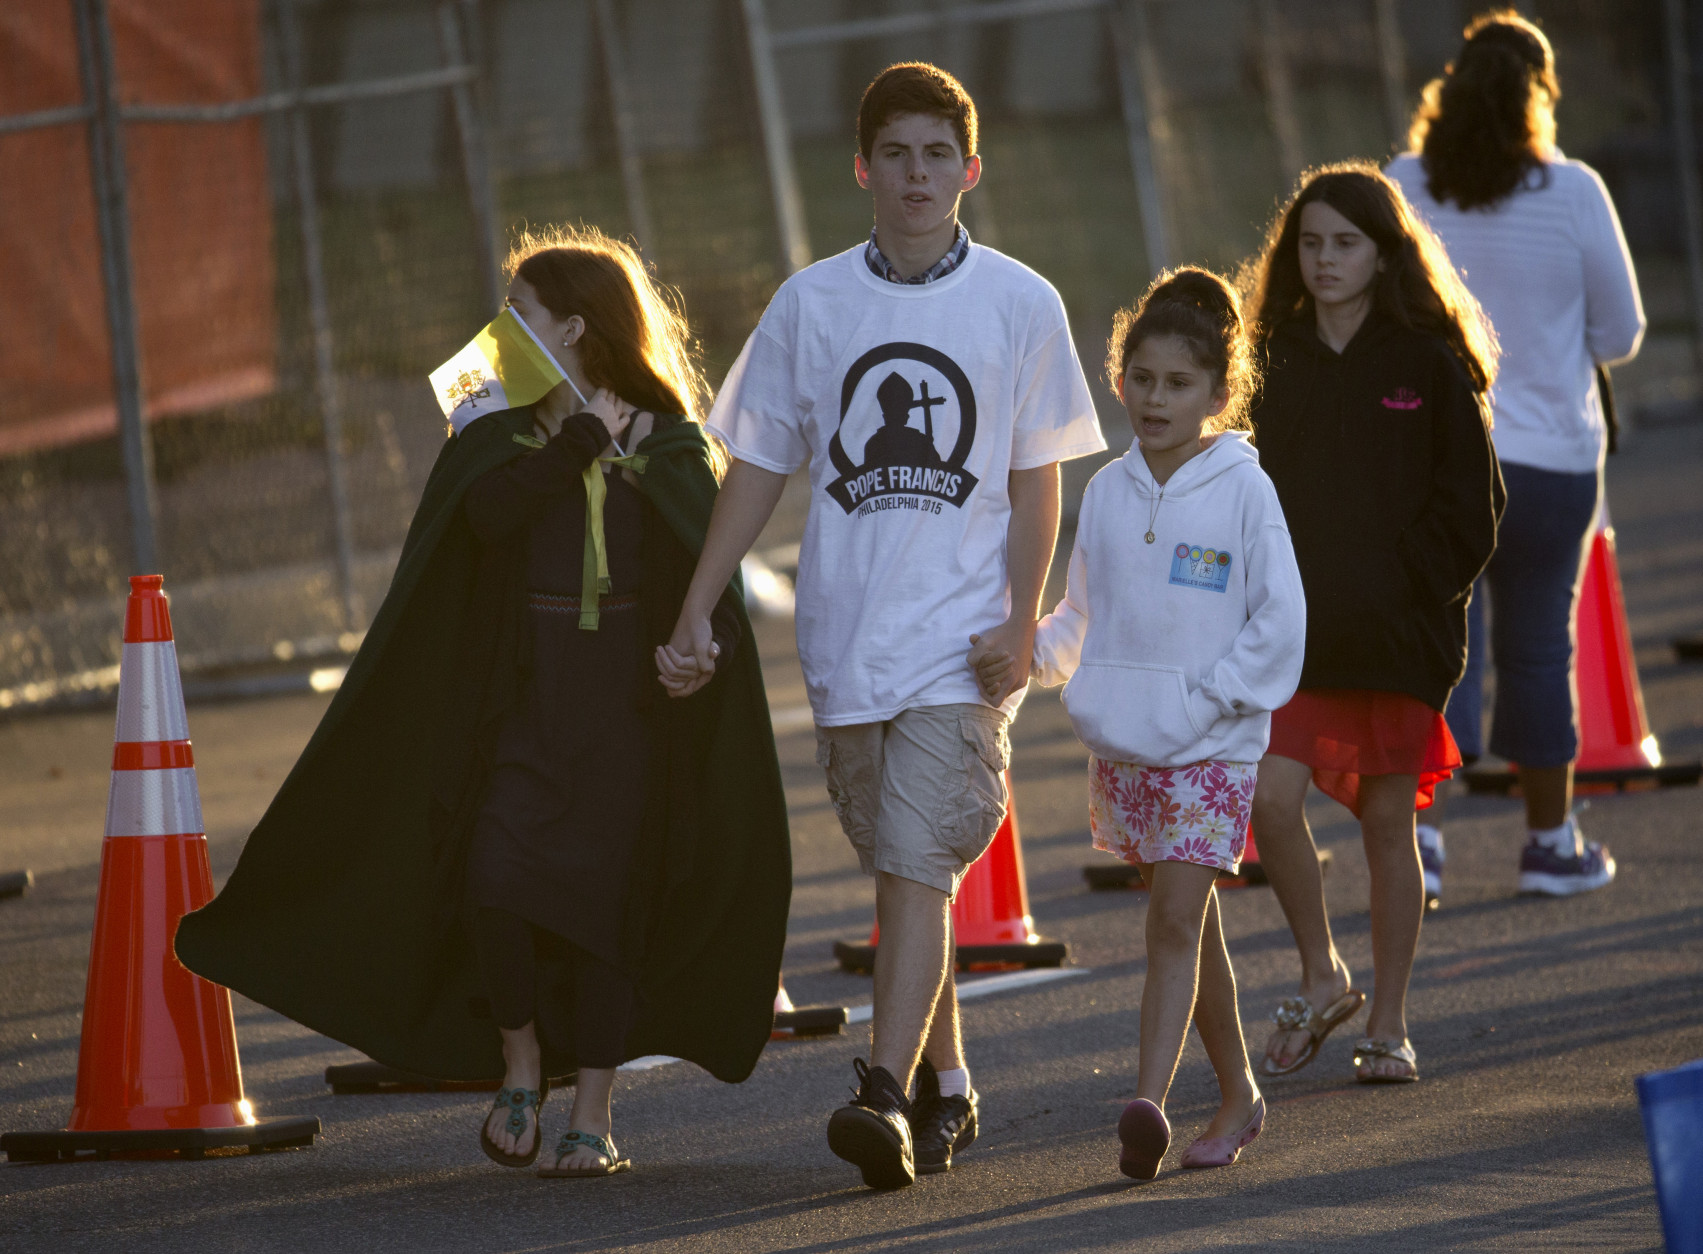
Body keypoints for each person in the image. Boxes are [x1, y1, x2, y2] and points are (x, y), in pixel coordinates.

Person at [174, 226, 793, 1179]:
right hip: (522, 708)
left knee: (608, 915)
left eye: (520, 311)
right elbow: (488, 513)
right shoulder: (493, 414)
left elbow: (707, 573)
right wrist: (580, 436)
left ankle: (593, 1115)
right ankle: (520, 1060)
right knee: (494, 881)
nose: (501, 325)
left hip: (626, 719)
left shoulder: (669, 436)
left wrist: (702, 649)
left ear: (573, 326)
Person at [656, 63, 1106, 1189]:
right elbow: (757, 465)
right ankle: (948, 1087)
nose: (916, 175)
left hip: (962, 649)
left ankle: (883, 1093)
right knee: (908, 878)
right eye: (895, 154)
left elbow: (1037, 482)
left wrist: (1020, 622)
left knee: (914, 864)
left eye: (936, 155)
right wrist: (696, 603)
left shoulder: (1020, 302)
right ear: (861, 168)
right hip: (846, 643)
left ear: (970, 169)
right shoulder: (810, 305)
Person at [990, 268, 1305, 1179]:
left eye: (1177, 383)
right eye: (1140, 379)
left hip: (1212, 747)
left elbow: (1281, 621)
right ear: (1117, 379)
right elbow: (1083, 616)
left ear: (1217, 395)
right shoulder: (1107, 490)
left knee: (1170, 923)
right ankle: (1239, 1094)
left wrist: (1207, 700)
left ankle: (1147, 1106)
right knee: (1188, 929)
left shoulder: (1243, 491)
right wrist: (1025, 654)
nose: (1154, 399)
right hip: (1127, 747)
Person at [1241, 164, 1503, 1084]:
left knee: (1389, 823)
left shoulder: (1428, 361)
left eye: (1344, 243)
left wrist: (1401, 587)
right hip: (1295, 638)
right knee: (1269, 799)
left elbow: (1473, 511)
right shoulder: (1268, 358)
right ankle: (1322, 973)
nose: (1324, 260)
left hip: (1398, 639)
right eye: (1310, 243)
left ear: (1384, 254)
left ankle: (1387, 1024)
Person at [1386, 10, 1645, 902]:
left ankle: (1420, 847)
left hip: (1433, 460)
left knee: (1435, 648)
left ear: (1449, 83)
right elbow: (1620, 332)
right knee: (1538, 649)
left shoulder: (1404, 183)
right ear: (1540, 94)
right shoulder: (1573, 190)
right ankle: (1548, 844)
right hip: (1552, 458)